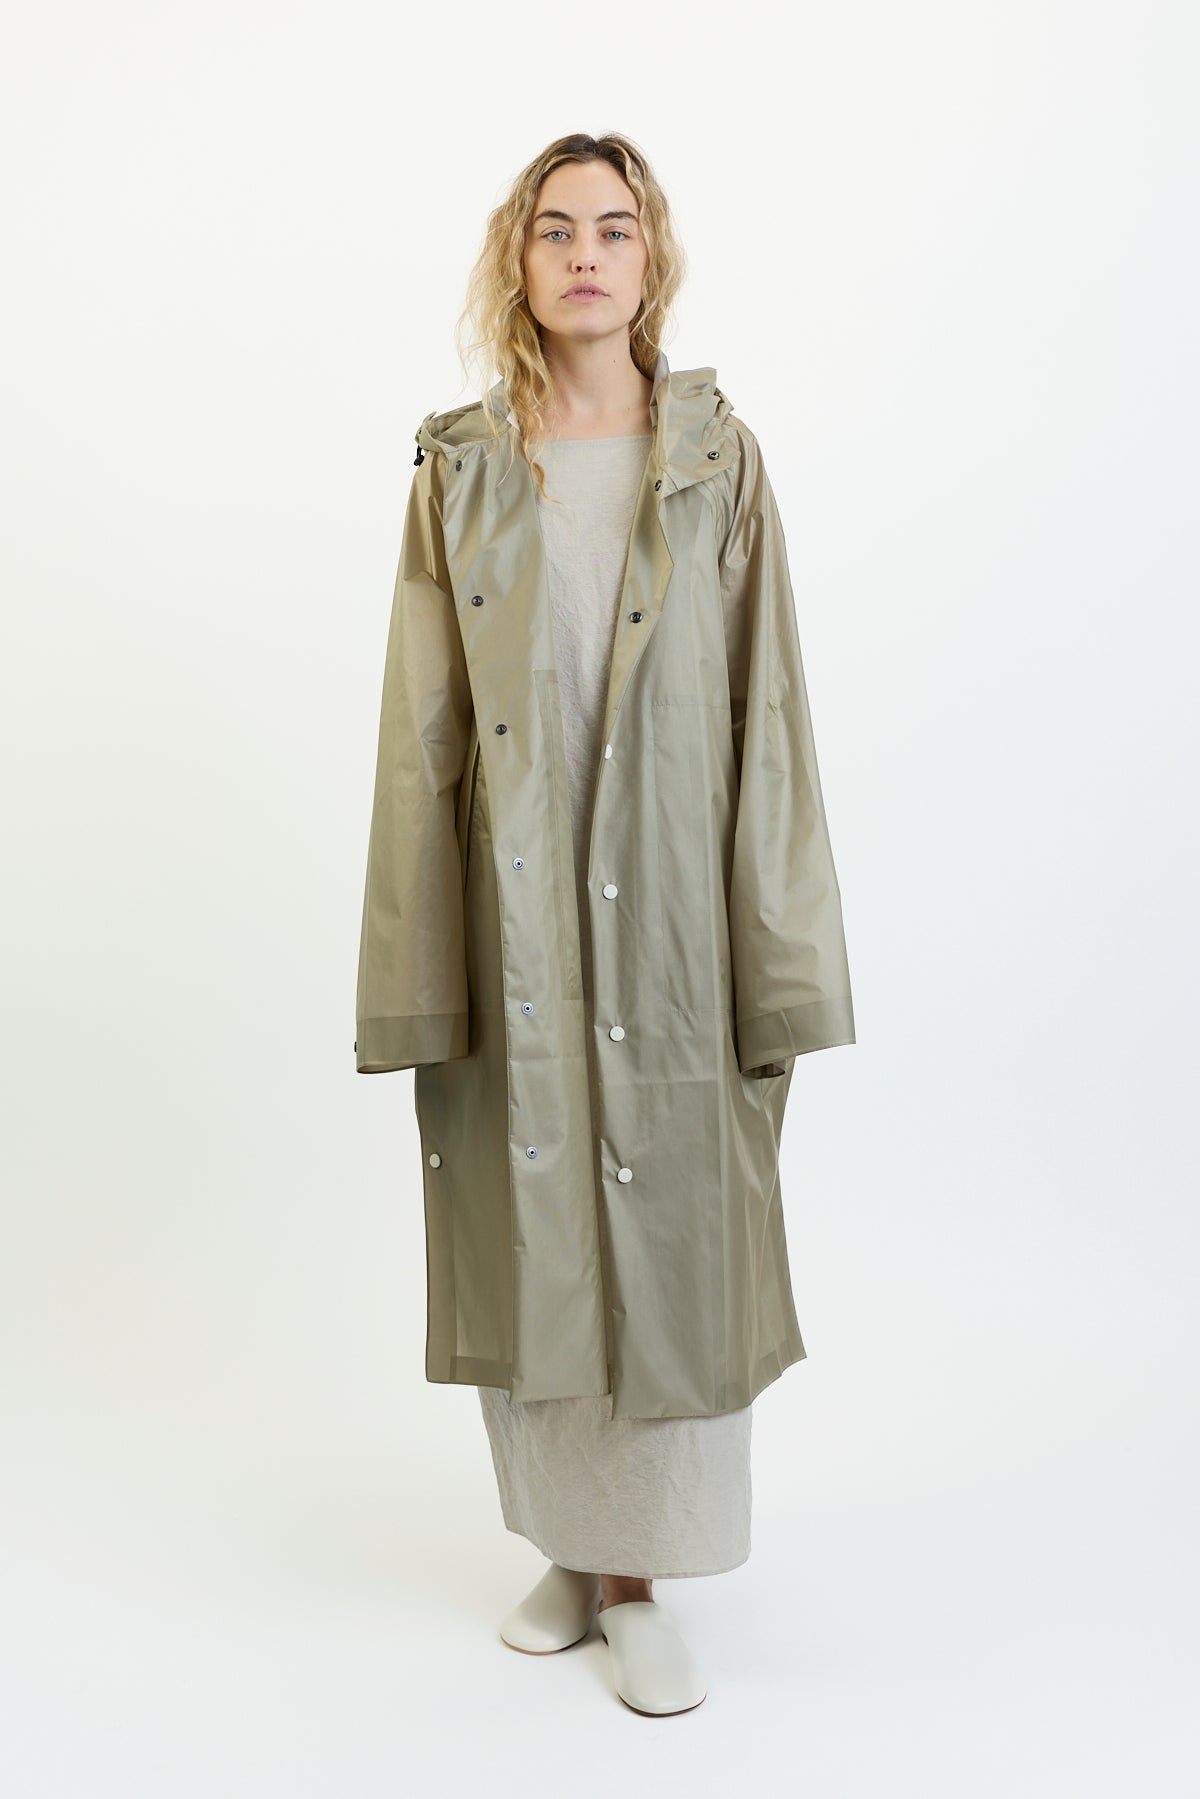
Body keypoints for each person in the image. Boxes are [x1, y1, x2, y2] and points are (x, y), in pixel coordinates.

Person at [354, 132, 856, 1717]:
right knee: (541, 1230)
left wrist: (782, 960)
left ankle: (641, 1575)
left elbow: (770, 710)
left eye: (615, 230)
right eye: (557, 229)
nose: (586, 254)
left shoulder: (716, 460)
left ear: (653, 261)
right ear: (519, 262)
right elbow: (421, 730)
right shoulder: (462, 469)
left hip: (675, 927)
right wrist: (417, 968)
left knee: (669, 1235)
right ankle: (576, 1554)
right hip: (516, 916)